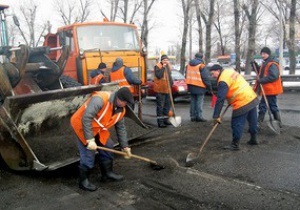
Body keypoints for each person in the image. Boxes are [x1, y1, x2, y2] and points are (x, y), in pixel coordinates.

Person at [70, 87, 133, 191]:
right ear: (118, 98)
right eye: (124, 102)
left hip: (98, 127)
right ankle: (83, 182)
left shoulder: (121, 110)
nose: (125, 105)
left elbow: (121, 128)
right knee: (89, 151)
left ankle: (107, 174)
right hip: (82, 125)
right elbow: (86, 118)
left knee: (108, 145)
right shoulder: (100, 99)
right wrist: (90, 140)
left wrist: (125, 146)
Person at [209, 64, 259, 150]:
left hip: (242, 101)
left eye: (213, 74)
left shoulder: (223, 80)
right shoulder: (229, 71)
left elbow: (220, 99)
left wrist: (216, 116)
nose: (213, 76)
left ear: (218, 71)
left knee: (237, 123)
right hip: (251, 97)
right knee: (252, 120)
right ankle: (253, 139)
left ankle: (235, 145)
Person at [253, 47, 283, 128]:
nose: (262, 55)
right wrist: (255, 65)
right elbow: (262, 72)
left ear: (268, 54)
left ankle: (259, 122)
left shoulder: (272, 63)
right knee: (268, 105)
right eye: (261, 54)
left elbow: (273, 76)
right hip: (267, 89)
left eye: (264, 54)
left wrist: (261, 80)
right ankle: (277, 123)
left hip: (271, 89)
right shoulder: (266, 62)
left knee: (267, 105)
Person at [185, 53, 212, 122]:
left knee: (193, 102)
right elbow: (205, 78)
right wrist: (209, 87)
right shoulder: (201, 66)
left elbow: (186, 75)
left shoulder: (188, 65)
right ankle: (199, 116)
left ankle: (193, 116)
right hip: (200, 86)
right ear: (202, 58)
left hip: (191, 85)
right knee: (199, 102)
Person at [153, 54, 173, 128]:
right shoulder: (158, 66)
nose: (166, 61)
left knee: (167, 106)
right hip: (160, 90)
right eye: (164, 60)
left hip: (167, 89)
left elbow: (169, 76)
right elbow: (159, 75)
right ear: (162, 60)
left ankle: (165, 120)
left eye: (167, 60)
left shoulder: (168, 66)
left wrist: (171, 84)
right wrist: (163, 68)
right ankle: (160, 122)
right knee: (160, 106)